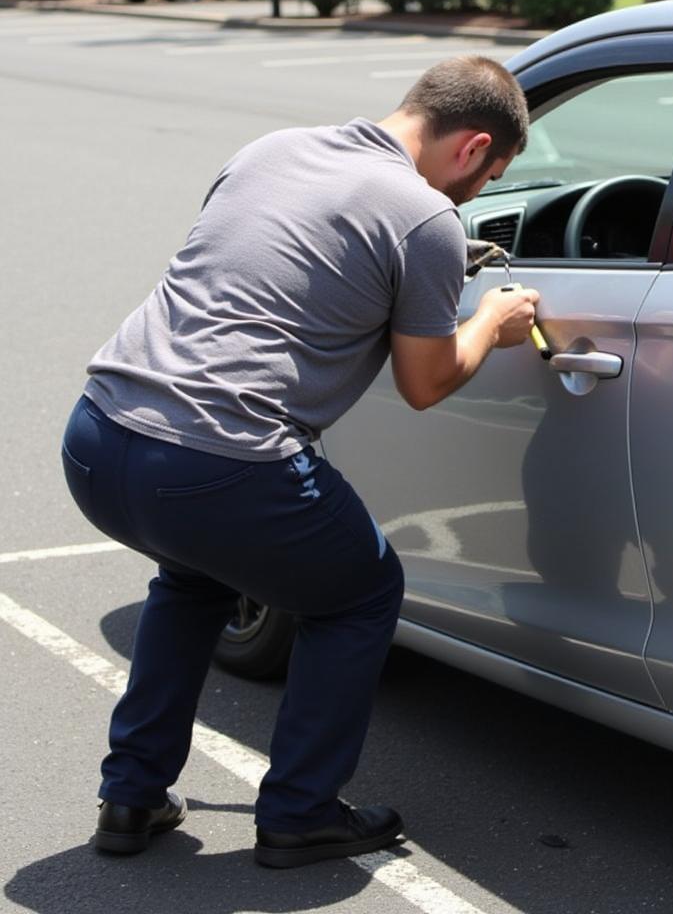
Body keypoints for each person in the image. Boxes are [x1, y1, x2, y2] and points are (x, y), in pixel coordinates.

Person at [60, 55, 538, 869]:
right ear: (473, 147)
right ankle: (301, 812)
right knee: (360, 592)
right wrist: (490, 323)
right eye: (486, 179)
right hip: (220, 463)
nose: (474, 198)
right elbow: (425, 382)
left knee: (193, 574)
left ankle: (132, 795)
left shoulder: (271, 150)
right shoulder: (427, 220)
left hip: (99, 437)